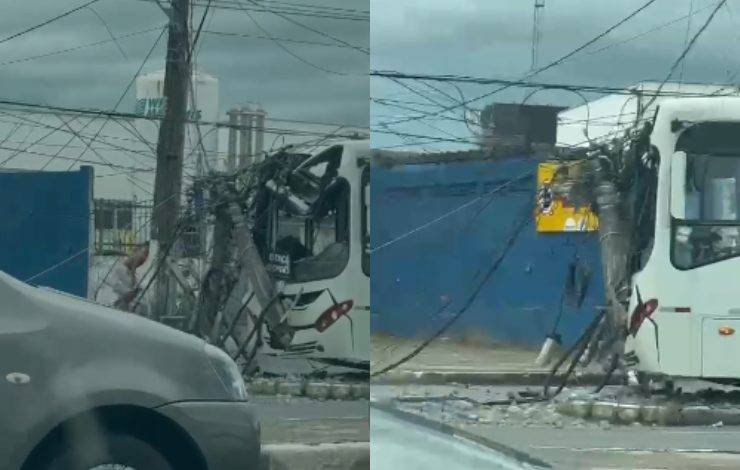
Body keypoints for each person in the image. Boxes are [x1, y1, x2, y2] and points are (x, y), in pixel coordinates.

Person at [97, 243, 150, 312]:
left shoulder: (123, 270)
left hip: (122, 308)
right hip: (114, 306)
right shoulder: (140, 256)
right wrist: (132, 276)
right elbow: (134, 267)